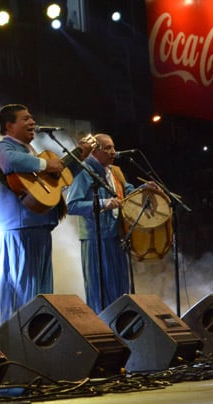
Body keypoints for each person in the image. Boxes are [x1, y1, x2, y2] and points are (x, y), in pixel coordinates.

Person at [0, 104, 92, 326]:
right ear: (9, 125)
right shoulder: (3, 147)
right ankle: (17, 346)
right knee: (21, 301)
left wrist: (78, 158)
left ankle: (35, 342)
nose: (32, 122)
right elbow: (9, 162)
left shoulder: (30, 152)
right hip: (16, 232)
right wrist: (45, 164)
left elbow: (58, 179)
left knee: (39, 299)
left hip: (37, 230)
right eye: (25, 119)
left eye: (32, 117)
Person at [66, 133, 149, 313]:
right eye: (108, 148)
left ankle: (121, 325)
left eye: (113, 147)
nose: (114, 151)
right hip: (96, 240)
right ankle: (104, 327)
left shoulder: (114, 171)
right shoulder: (83, 171)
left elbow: (128, 192)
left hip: (116, 237)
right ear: (94, 151)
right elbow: (71, 205)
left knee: (120, 288)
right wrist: (104, 203)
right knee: (101, 289)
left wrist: (144, 189)